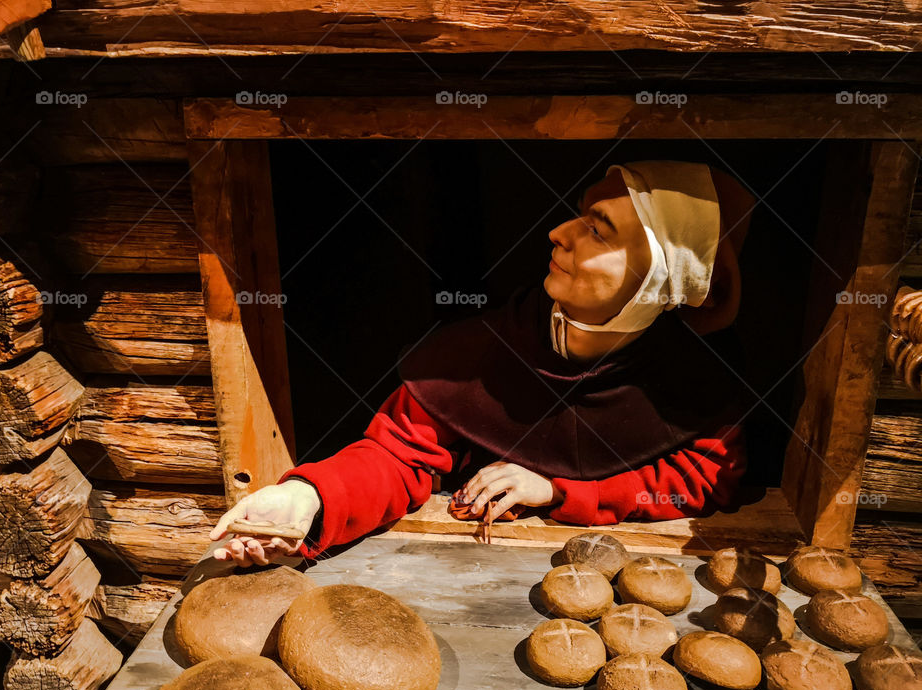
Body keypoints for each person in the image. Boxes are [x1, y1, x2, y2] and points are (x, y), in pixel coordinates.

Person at [211, 159, 758, 567]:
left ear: (660, 279)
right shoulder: (474, 352)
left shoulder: (693, 384)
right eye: (580, 218)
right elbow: (396, 457)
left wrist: (560, 491)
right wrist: (308, 498)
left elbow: (701, 480)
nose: (559, 233)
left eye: (598, 230)